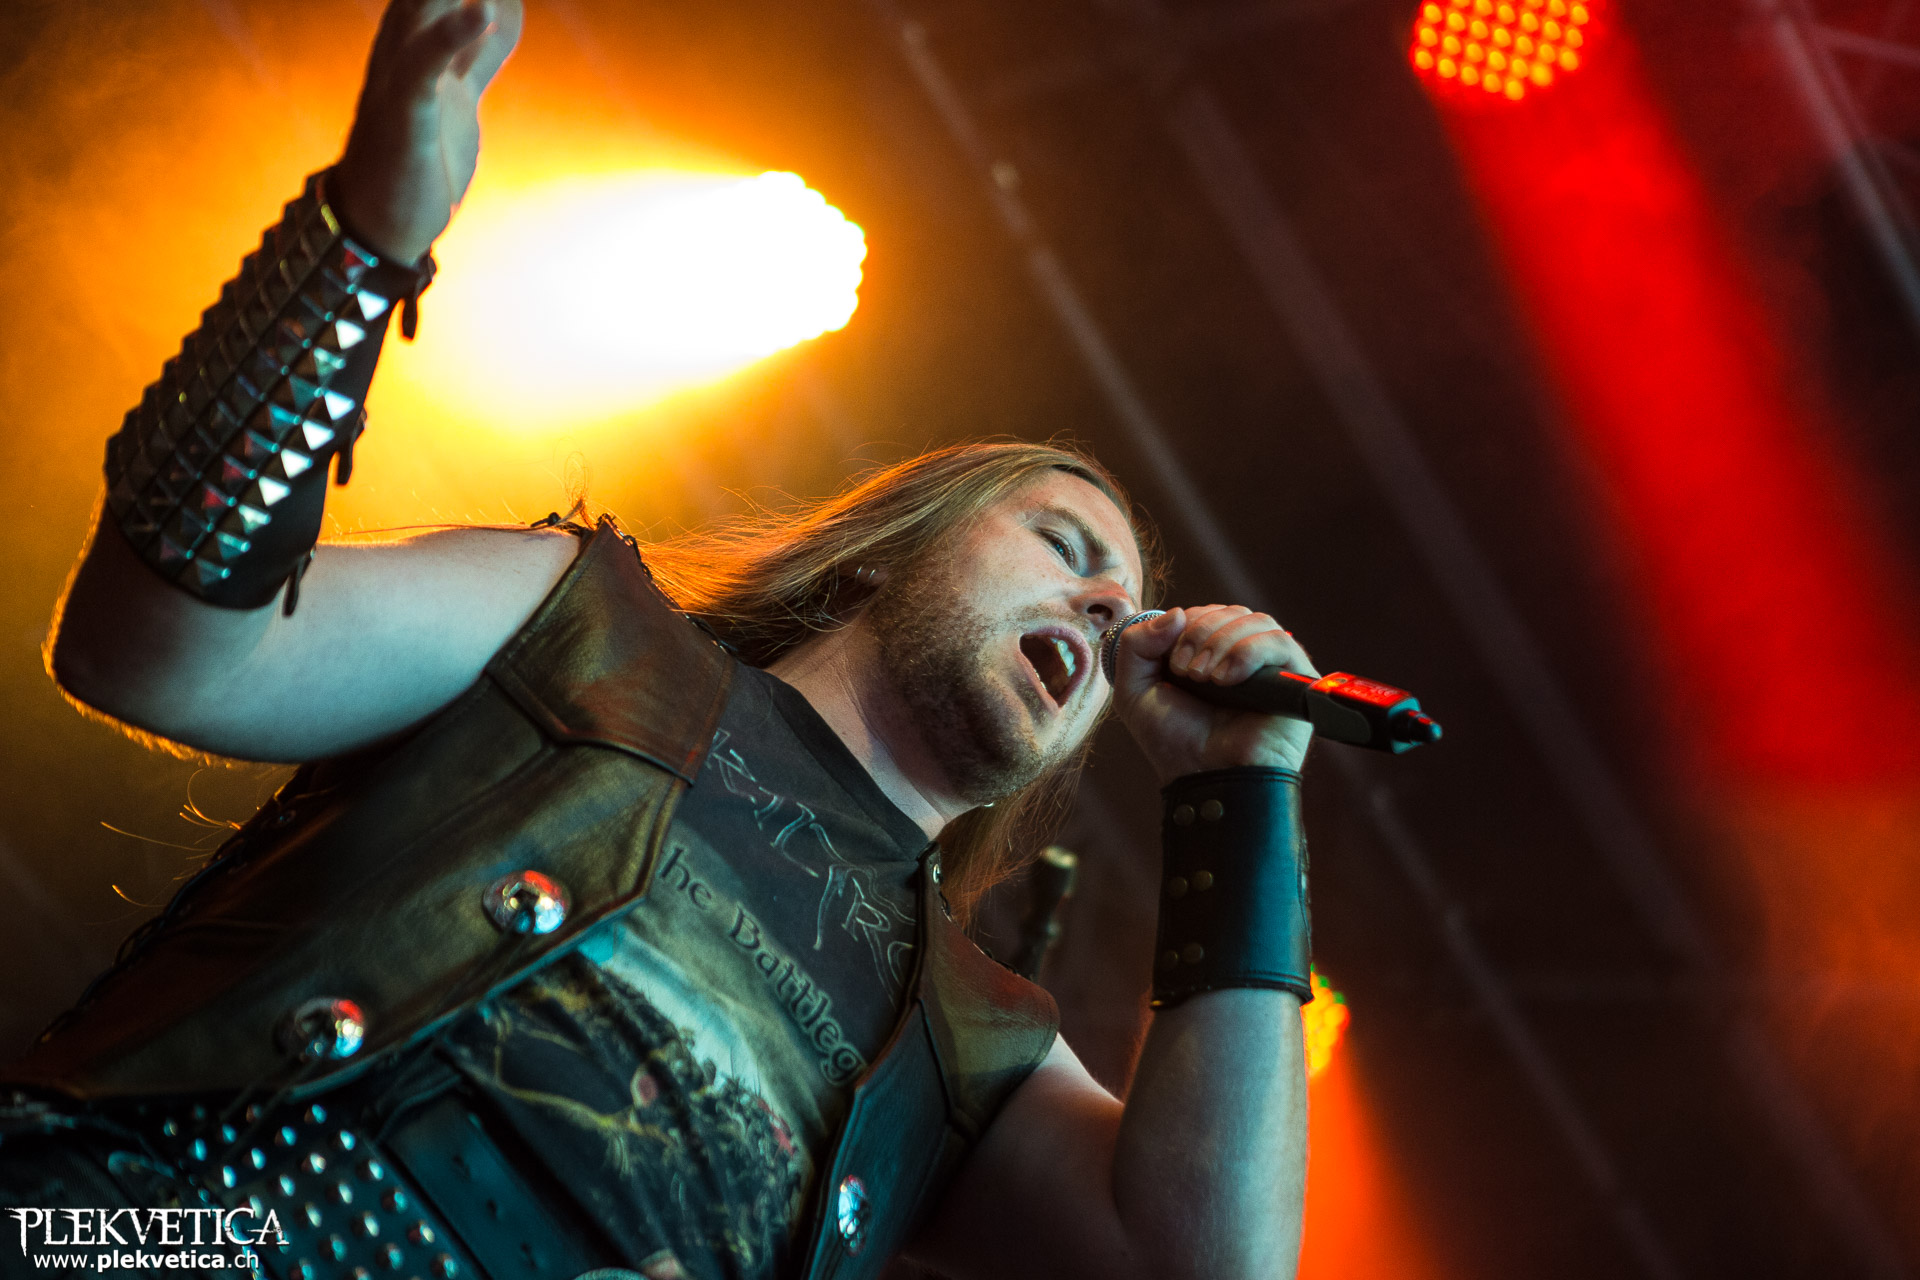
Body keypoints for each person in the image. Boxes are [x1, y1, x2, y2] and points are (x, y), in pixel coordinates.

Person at [2, 3, 1317, 1278]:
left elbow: (1207, 1262)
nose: (1104, 607)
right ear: (889, 545)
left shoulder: (964, 1041)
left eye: (1122, 602)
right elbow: (153, 648)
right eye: (1064, 545)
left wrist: (1242, 792)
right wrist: (362, 241)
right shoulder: (576, 625)